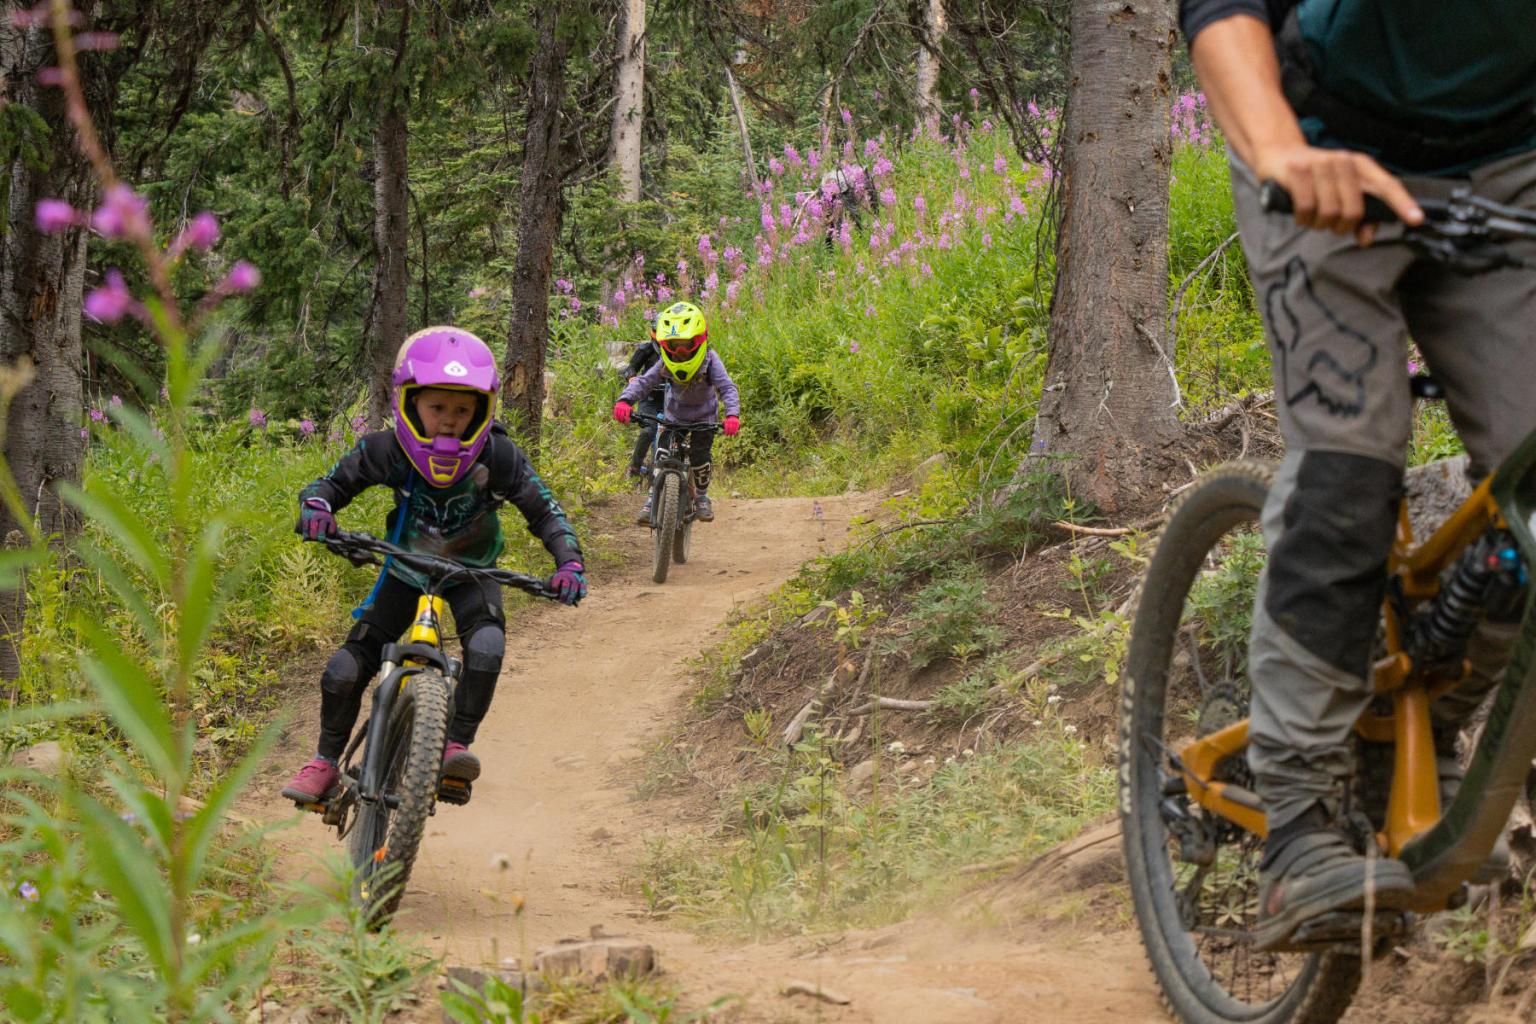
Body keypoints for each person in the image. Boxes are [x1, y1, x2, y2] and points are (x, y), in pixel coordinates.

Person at [1181, 0, 1536, 949]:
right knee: (1349, 470)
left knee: (1530, 490)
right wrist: (1278, 150)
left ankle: (1440, 726)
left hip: (1513, 165)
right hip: (1320, 145)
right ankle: (1299, 823)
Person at [280, 326, 587, 804]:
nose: (449, 421)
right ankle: (324, 762)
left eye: (462, 410)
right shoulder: (388, 450)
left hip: (475, 574)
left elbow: (545, 511)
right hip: (403, 571)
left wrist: (568, 562)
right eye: (437, 407)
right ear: (411, 403)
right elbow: (328, 486)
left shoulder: (499, 457)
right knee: (344, 667)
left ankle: (452, 748)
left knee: (486, 648)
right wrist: (317, 511)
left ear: (482, 411)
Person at [613, 301, 740, 524]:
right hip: (674, 418)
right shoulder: (666, 362)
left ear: (698, 340)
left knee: (700, 458)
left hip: (704, 419)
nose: (680, 351)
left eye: (685, 344)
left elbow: (727, 387)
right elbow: (644, 381)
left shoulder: (710, 360)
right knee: (661, 455)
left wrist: (732, 415)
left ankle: (701, 497)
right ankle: (652, 498)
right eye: (674, 344)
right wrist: (625, 400)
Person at [622, 328, 666, 485]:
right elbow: (631, 367)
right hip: (650, 398)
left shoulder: (677, 350)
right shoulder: (646, 349)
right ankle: (635, 467)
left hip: (672, 399)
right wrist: (632, 378)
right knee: (648, 431)